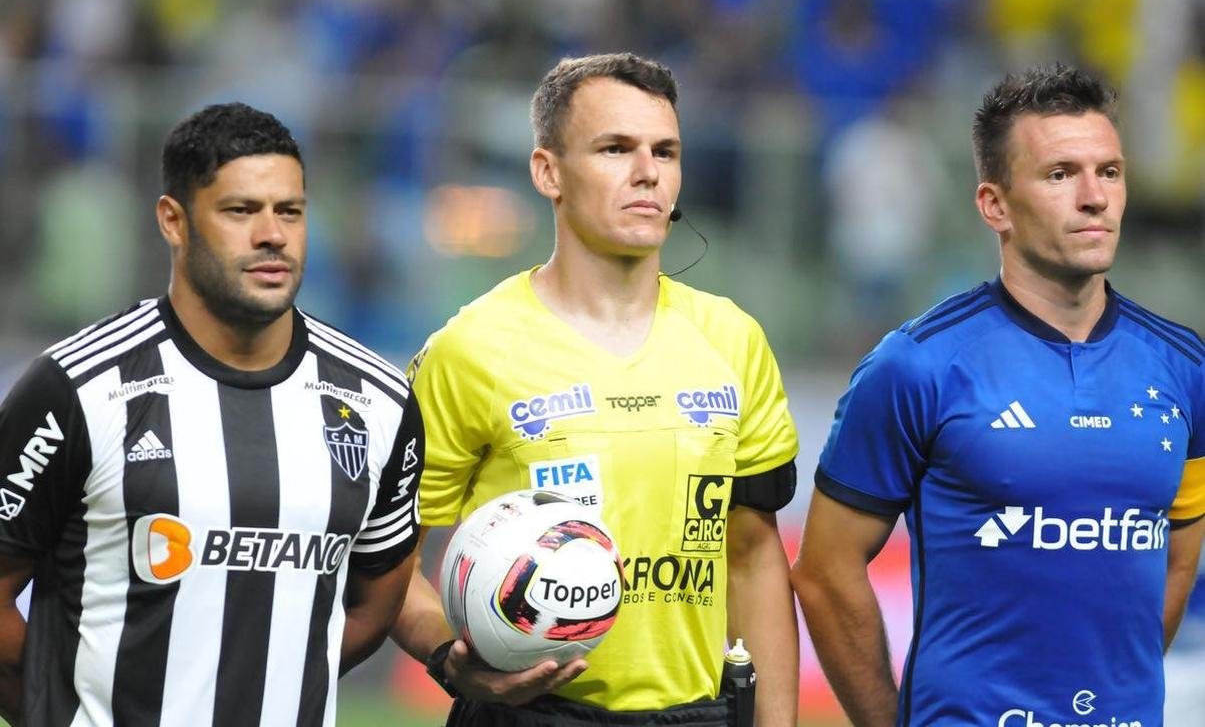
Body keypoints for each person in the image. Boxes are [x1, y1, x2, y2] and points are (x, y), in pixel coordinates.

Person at [391, 52, 800, 726]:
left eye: (664, 151)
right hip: (528, 716)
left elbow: (754, 560)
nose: (648, 172)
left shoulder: (733, 339)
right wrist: (450, 658)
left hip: (696, 716)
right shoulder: (469, 349)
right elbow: (389, 568)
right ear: (547, 172)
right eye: (615, 148)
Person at [791, 64, 1205, 726]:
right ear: (994, 205)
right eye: (1060, 174)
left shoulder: (1184, 368)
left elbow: (1179, 560)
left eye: (1109, 172)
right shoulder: (916, 366)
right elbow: (823, 571)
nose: (1094, 197)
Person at [0, 103, 425, 726]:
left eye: (290, 211)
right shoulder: (78, 388)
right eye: (240, 211)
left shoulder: (377, 400)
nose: (272, 234)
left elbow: (374, 603)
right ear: (173, 221)